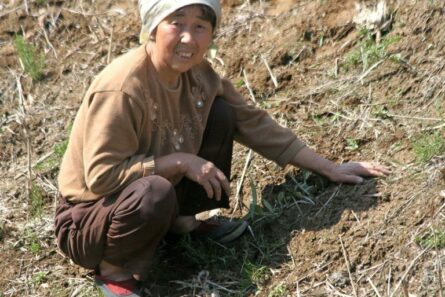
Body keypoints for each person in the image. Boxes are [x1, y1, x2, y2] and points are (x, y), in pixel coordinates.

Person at [54, 1, 390, 296]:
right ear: (153, 28)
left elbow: (253, 124)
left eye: (200, 26)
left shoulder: (199, 75)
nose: (189, 38)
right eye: (177, 23)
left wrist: (328, 167)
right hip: (90, 220)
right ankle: (115, 269)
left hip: (145, 197)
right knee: (153, 190)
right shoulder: (123, 88)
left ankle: (182, 223)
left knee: (222, 113)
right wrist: (179, 162)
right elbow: (101, 178)